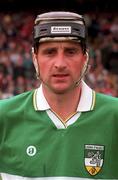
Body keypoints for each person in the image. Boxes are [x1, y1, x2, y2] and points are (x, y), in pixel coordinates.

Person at [0, 11, 118, 180]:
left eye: (70, 52)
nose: (60, 64)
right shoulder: (3, 116)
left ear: (85, 58)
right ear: (35, 58)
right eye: (50, 52)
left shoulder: (115, 116)